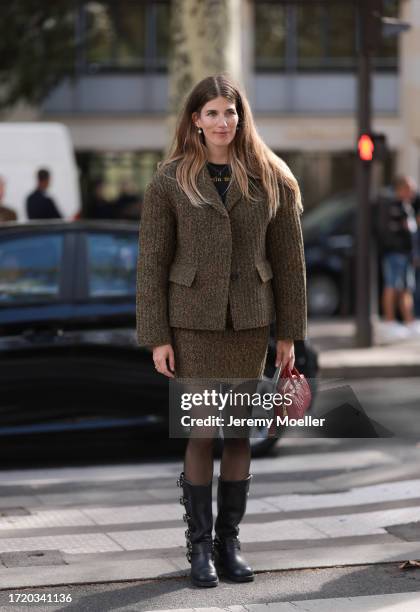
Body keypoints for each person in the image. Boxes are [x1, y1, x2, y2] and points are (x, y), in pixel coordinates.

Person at [136, 74, 307, 588]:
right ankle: (199, 550)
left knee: (238, 435)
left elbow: (289, 261)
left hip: (250, 325)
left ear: (241, 116)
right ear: (195, 120)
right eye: (211, 113)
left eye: (229, 112)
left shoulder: (270, 176)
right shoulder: (169, 180)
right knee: (202, 432)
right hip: (192, 326)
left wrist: (289, 332)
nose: (221, 122)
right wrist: (156, 335)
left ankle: (229, 543)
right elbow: (151, 263)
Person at [378, 175, 420, 336]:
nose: (413, 191)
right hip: (395, 253)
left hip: (406, 254)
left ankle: (409, 321)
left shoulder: (406, 206)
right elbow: (389, 232)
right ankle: (389, 321)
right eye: (410, 188)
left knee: (406, 289)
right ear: (401, 189)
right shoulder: (391, 206)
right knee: (392, 286)